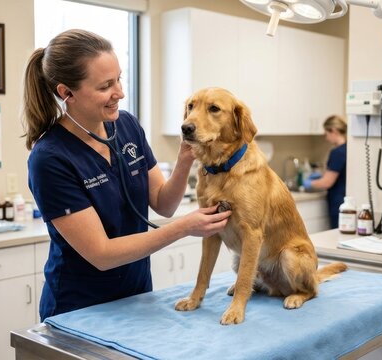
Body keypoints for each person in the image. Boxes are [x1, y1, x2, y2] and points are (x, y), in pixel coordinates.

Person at [21, 29, 231, 321]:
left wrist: (184, 160)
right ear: (66, 93)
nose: (119, 92)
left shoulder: (127, 126)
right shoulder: (50, 158)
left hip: (138, 296)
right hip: (80, 308)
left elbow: (163, 203)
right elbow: (102, 253)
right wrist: (184, 227)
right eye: (106, 86)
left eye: (118, 78)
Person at [303, 115, 347, 229]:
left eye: (326, 133)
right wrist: (321, 176)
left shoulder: (337, 152)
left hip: (338, 202)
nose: (326, 138)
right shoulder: (348, 148)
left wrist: (307, 184)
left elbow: (327, 182)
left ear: (334, 131)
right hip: (345, 200)